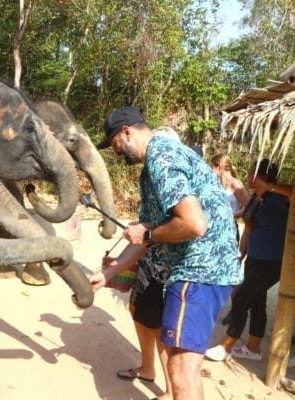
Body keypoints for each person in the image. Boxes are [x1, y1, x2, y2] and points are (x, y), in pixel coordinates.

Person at [90, 106, 241, 400]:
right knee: (181, 365)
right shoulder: (155, 165)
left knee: (181, 371)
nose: (115, 152)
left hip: (198, 270)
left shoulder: (162, 156)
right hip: (198, 272)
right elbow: (146, 237)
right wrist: (110, 273)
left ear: (127, 132)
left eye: (114, 145)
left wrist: (147, 233)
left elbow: (193, 224)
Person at [114, 127, 181, 400]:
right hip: (148, 261)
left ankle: (171, 390)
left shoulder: (172, 168)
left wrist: (148, 232)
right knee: (138, 313)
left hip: (168, 267)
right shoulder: (151, 175)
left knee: (159, 325)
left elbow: (184, 223)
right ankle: (147, 368)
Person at [205, 159, 289, 362]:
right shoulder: (254, 199)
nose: (249, 177)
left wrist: (271, 186)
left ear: (264, 176)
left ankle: (226, 346)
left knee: (240, 299)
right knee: (256, 302)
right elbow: (248, 232)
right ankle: (253, 348)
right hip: (255, 258)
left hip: (272, 262)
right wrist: (239, 257)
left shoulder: (280, 197)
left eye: (253, 174)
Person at [209, 153, 250, 325]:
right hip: (214, 231)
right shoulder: (214, 184)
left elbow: (249, 206)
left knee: (232, 270)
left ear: (219, 167)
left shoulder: (236, 184)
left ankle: (236, 309)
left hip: (229, 230)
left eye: (212, 167)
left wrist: (231, 215)